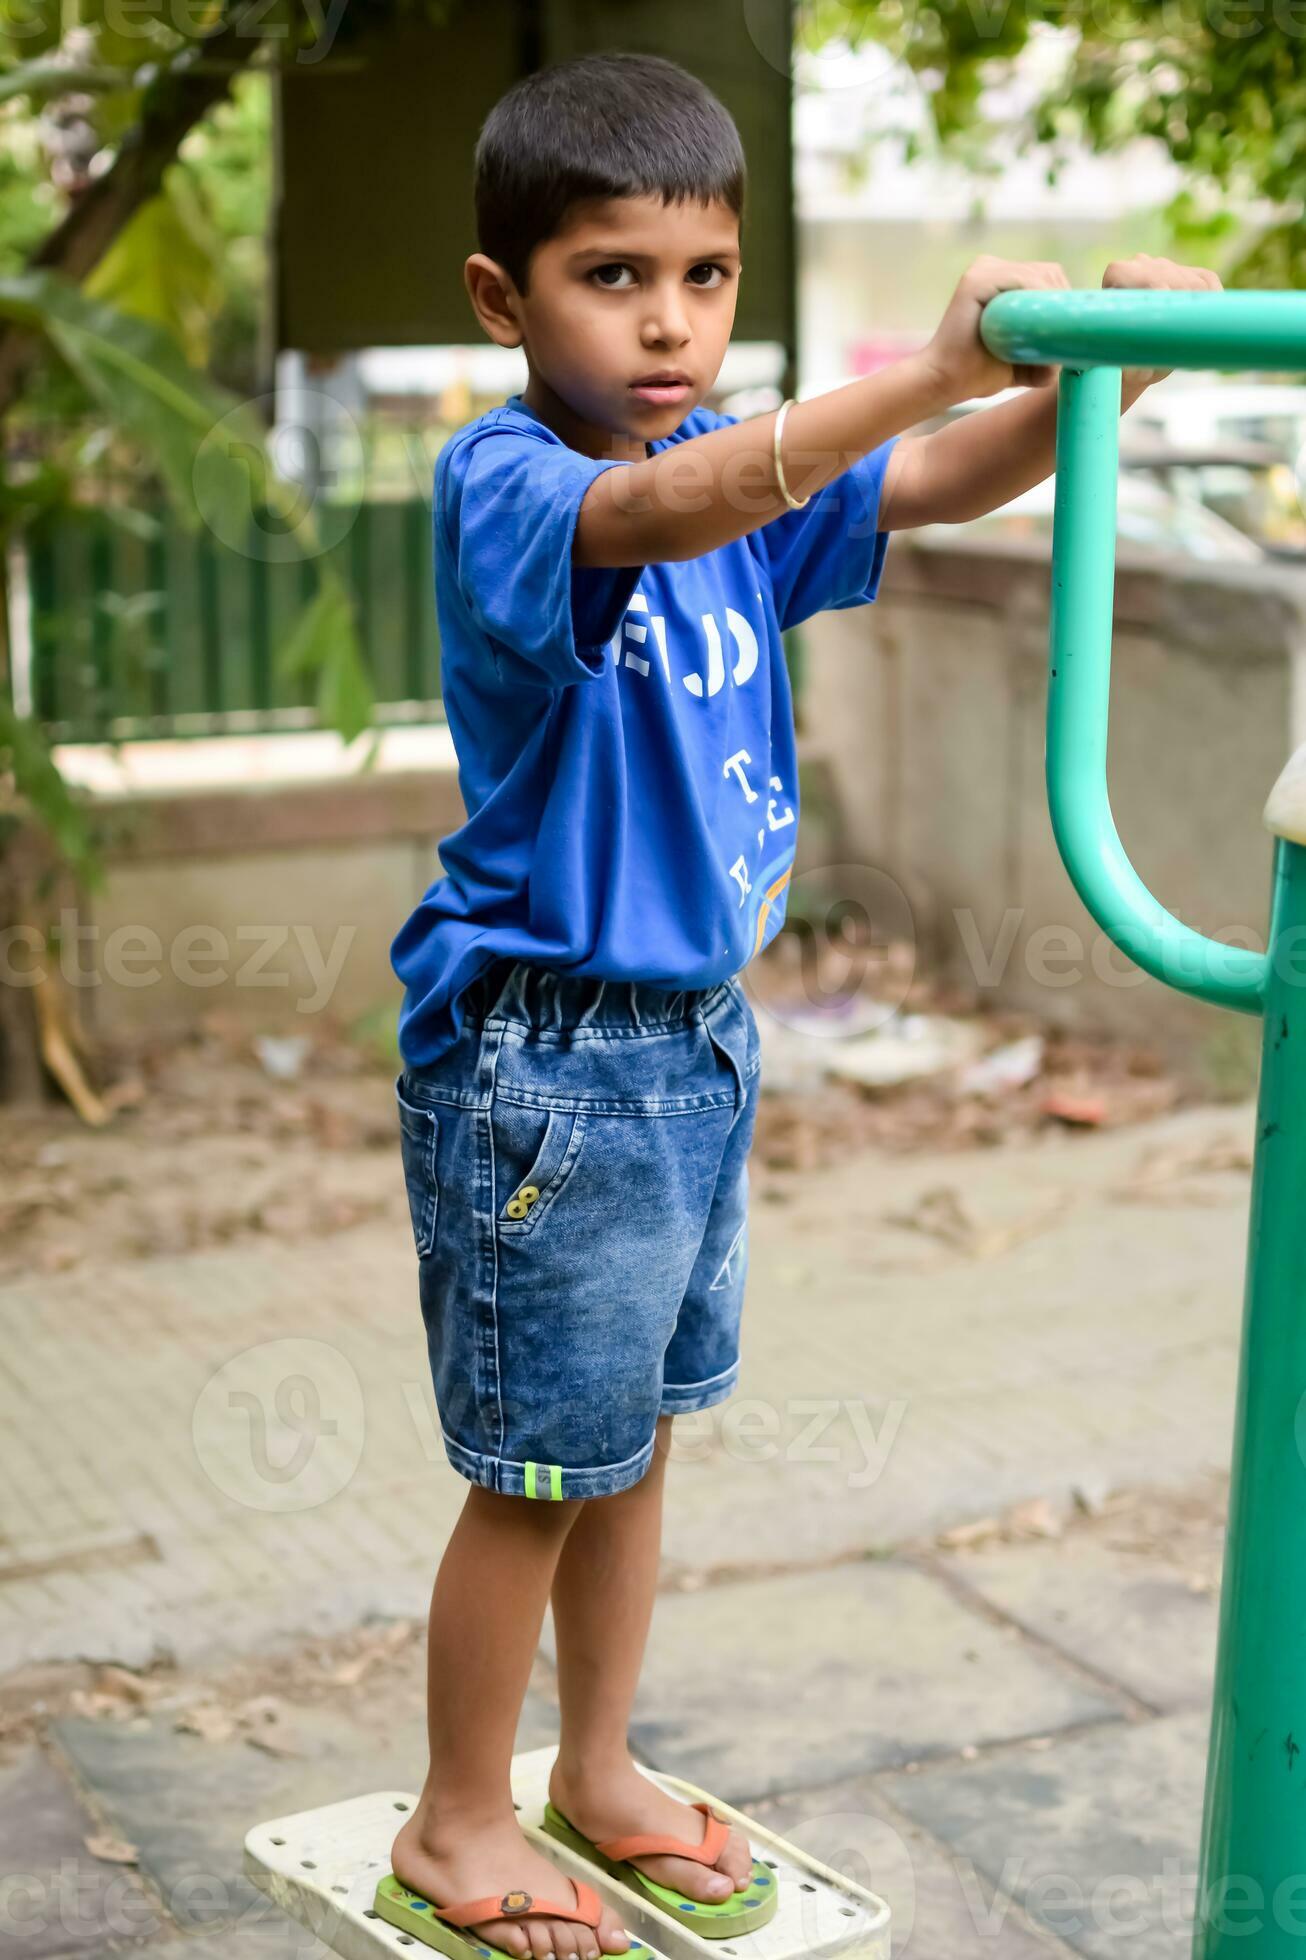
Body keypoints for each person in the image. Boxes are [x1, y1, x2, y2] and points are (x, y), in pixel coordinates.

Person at [385, 48, 1218, 1960]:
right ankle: (457, 1818)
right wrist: (919, 367)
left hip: (692, 1045)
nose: (667, 323)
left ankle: (595, 1767)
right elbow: (679, 508)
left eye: (704, 279)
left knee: (638, 1440)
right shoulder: (516, 483)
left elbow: (921, 481)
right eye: (612, 277)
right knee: (532, 1477)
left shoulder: (758, 480)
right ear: (506, 299)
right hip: (549, 1057)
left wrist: (1094, 383)